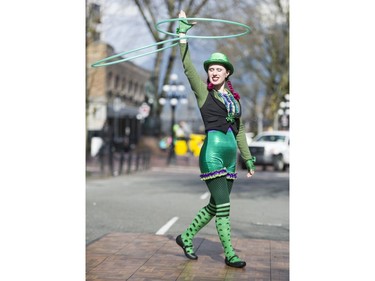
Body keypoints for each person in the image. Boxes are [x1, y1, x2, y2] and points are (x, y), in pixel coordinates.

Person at [175, 10, 256, 269]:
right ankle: (229, 254)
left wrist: (249, 158)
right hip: (212, 154)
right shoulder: (203, 94)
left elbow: (240, 131)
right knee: (224, 207)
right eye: (211, 69)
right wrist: (182, 34)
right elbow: (188, 69)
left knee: (214, 205)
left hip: (231, 156)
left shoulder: (234, 99)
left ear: (227, 73)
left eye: (218, 69)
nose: (214, 72)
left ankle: (186, 237)